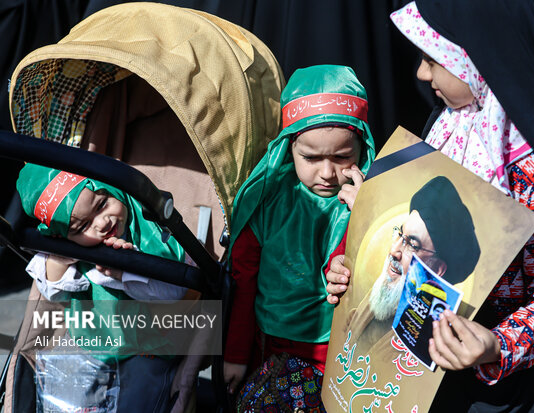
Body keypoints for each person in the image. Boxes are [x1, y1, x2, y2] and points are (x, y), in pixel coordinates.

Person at [325, 1, 534, 410]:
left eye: (433, 59)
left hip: (495, 391)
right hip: (409, 377)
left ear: (477, 59)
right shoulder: (447, 125)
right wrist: (356, 260)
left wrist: (496, 344)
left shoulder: (533, 169)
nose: (421, 73)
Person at [222, 64, 375, 410]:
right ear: (288, 147)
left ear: (362, 146)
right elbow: (244, 282)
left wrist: (367, 214)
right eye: (311, 157)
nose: (326, 173)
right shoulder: (264, 201)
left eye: (342, 157)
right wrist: (235, 355)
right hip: (270, 351)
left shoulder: (373, 199)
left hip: (344, 358)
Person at [16, 163, 187, 413]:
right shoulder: (67, 246)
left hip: (148, 346)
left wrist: (126, 271)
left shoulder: (148, 226)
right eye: (82, 227)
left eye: (102, 205)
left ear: (110, 189)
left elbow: (175, 292)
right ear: (62, 236)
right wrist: (61, 258)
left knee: (140, 395)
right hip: (89, 342)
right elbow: (52, 291)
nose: (102, 223)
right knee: (64, 388)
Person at [345, 176, 480, 355]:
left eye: (412, 245)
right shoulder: (380, 296)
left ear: (437, 269)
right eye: (400, 234)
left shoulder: (432, 340)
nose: (394, 250)